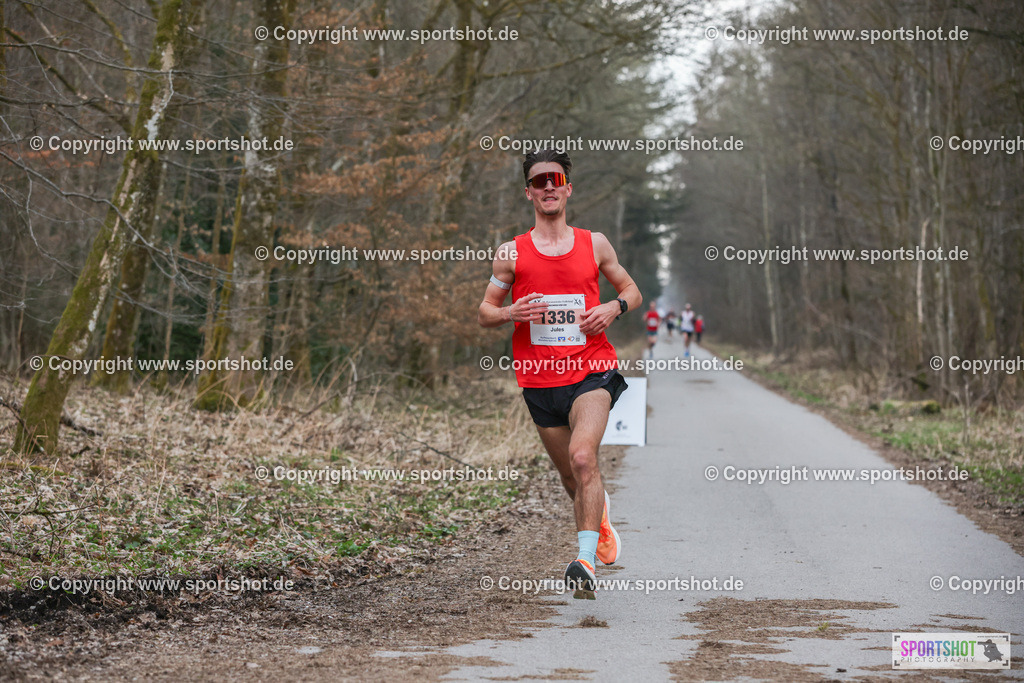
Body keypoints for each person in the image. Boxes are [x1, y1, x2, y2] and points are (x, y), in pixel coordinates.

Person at [478, 149, 641, 600]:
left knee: (583, 458)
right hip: (539, 380)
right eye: (539, 180)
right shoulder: (511, 252)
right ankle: (598, 516)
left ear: (568, 188)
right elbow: (485, 312)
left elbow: (631, 290)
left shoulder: (595, 243)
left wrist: (613, 307)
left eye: (556, 178)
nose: (548, 185)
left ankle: (584, 561)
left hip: (592, 370)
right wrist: (510, 312)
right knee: (571, 477)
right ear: (528, 192)